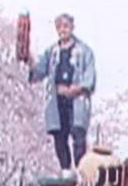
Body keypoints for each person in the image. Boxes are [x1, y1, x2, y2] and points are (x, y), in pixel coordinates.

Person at [29, 13, 96, 173]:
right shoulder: (51, 52)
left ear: (72, 27)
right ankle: (65, 168)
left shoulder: (84, 51)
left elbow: (89, 77)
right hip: (56, 99)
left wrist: (77, 89)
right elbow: (38, 71)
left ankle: (81, 169)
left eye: (66, 26)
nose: (63, 30)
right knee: (59, 134)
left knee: (78, 133)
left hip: (76, 99)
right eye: (59, 27)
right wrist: (30, 61)